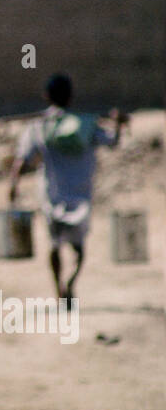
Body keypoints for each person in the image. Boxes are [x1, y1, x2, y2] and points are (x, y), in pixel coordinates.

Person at [7, 74, 125, 300]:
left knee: (54, 244)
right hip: (80, 194)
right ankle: (70, 281)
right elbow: (113, 142)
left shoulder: (39, 126)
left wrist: (13, 184)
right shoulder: (87, 124)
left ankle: (59, 286)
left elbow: (22, 159)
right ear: (71, 97)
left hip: (52, 194)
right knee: (78, 247)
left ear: (46, 96)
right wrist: (118, 123)